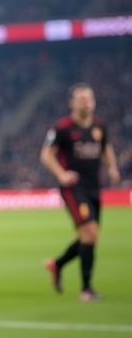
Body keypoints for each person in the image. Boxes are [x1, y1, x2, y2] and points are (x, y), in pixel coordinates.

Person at [40, 84, 120, 301]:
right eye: (81, 98)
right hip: (73, 188)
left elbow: (106, 148)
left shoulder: (99, 126)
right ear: (72, 103)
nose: (86, 101)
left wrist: (112, 168)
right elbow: (46, 155)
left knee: (88, 238)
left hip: (94, 187)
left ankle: (57, 265)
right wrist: (61, 174)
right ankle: (86, 290)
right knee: (91, 233)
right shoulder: (63, 128)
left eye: (89, 98)